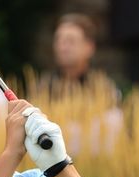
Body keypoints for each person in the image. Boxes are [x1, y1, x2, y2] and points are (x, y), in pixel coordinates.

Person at [40, 13, 123, 156]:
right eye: (59, 40)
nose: (63, 47)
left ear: (89, 47)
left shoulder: (104, 89)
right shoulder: (44, 87)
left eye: (70, 41)